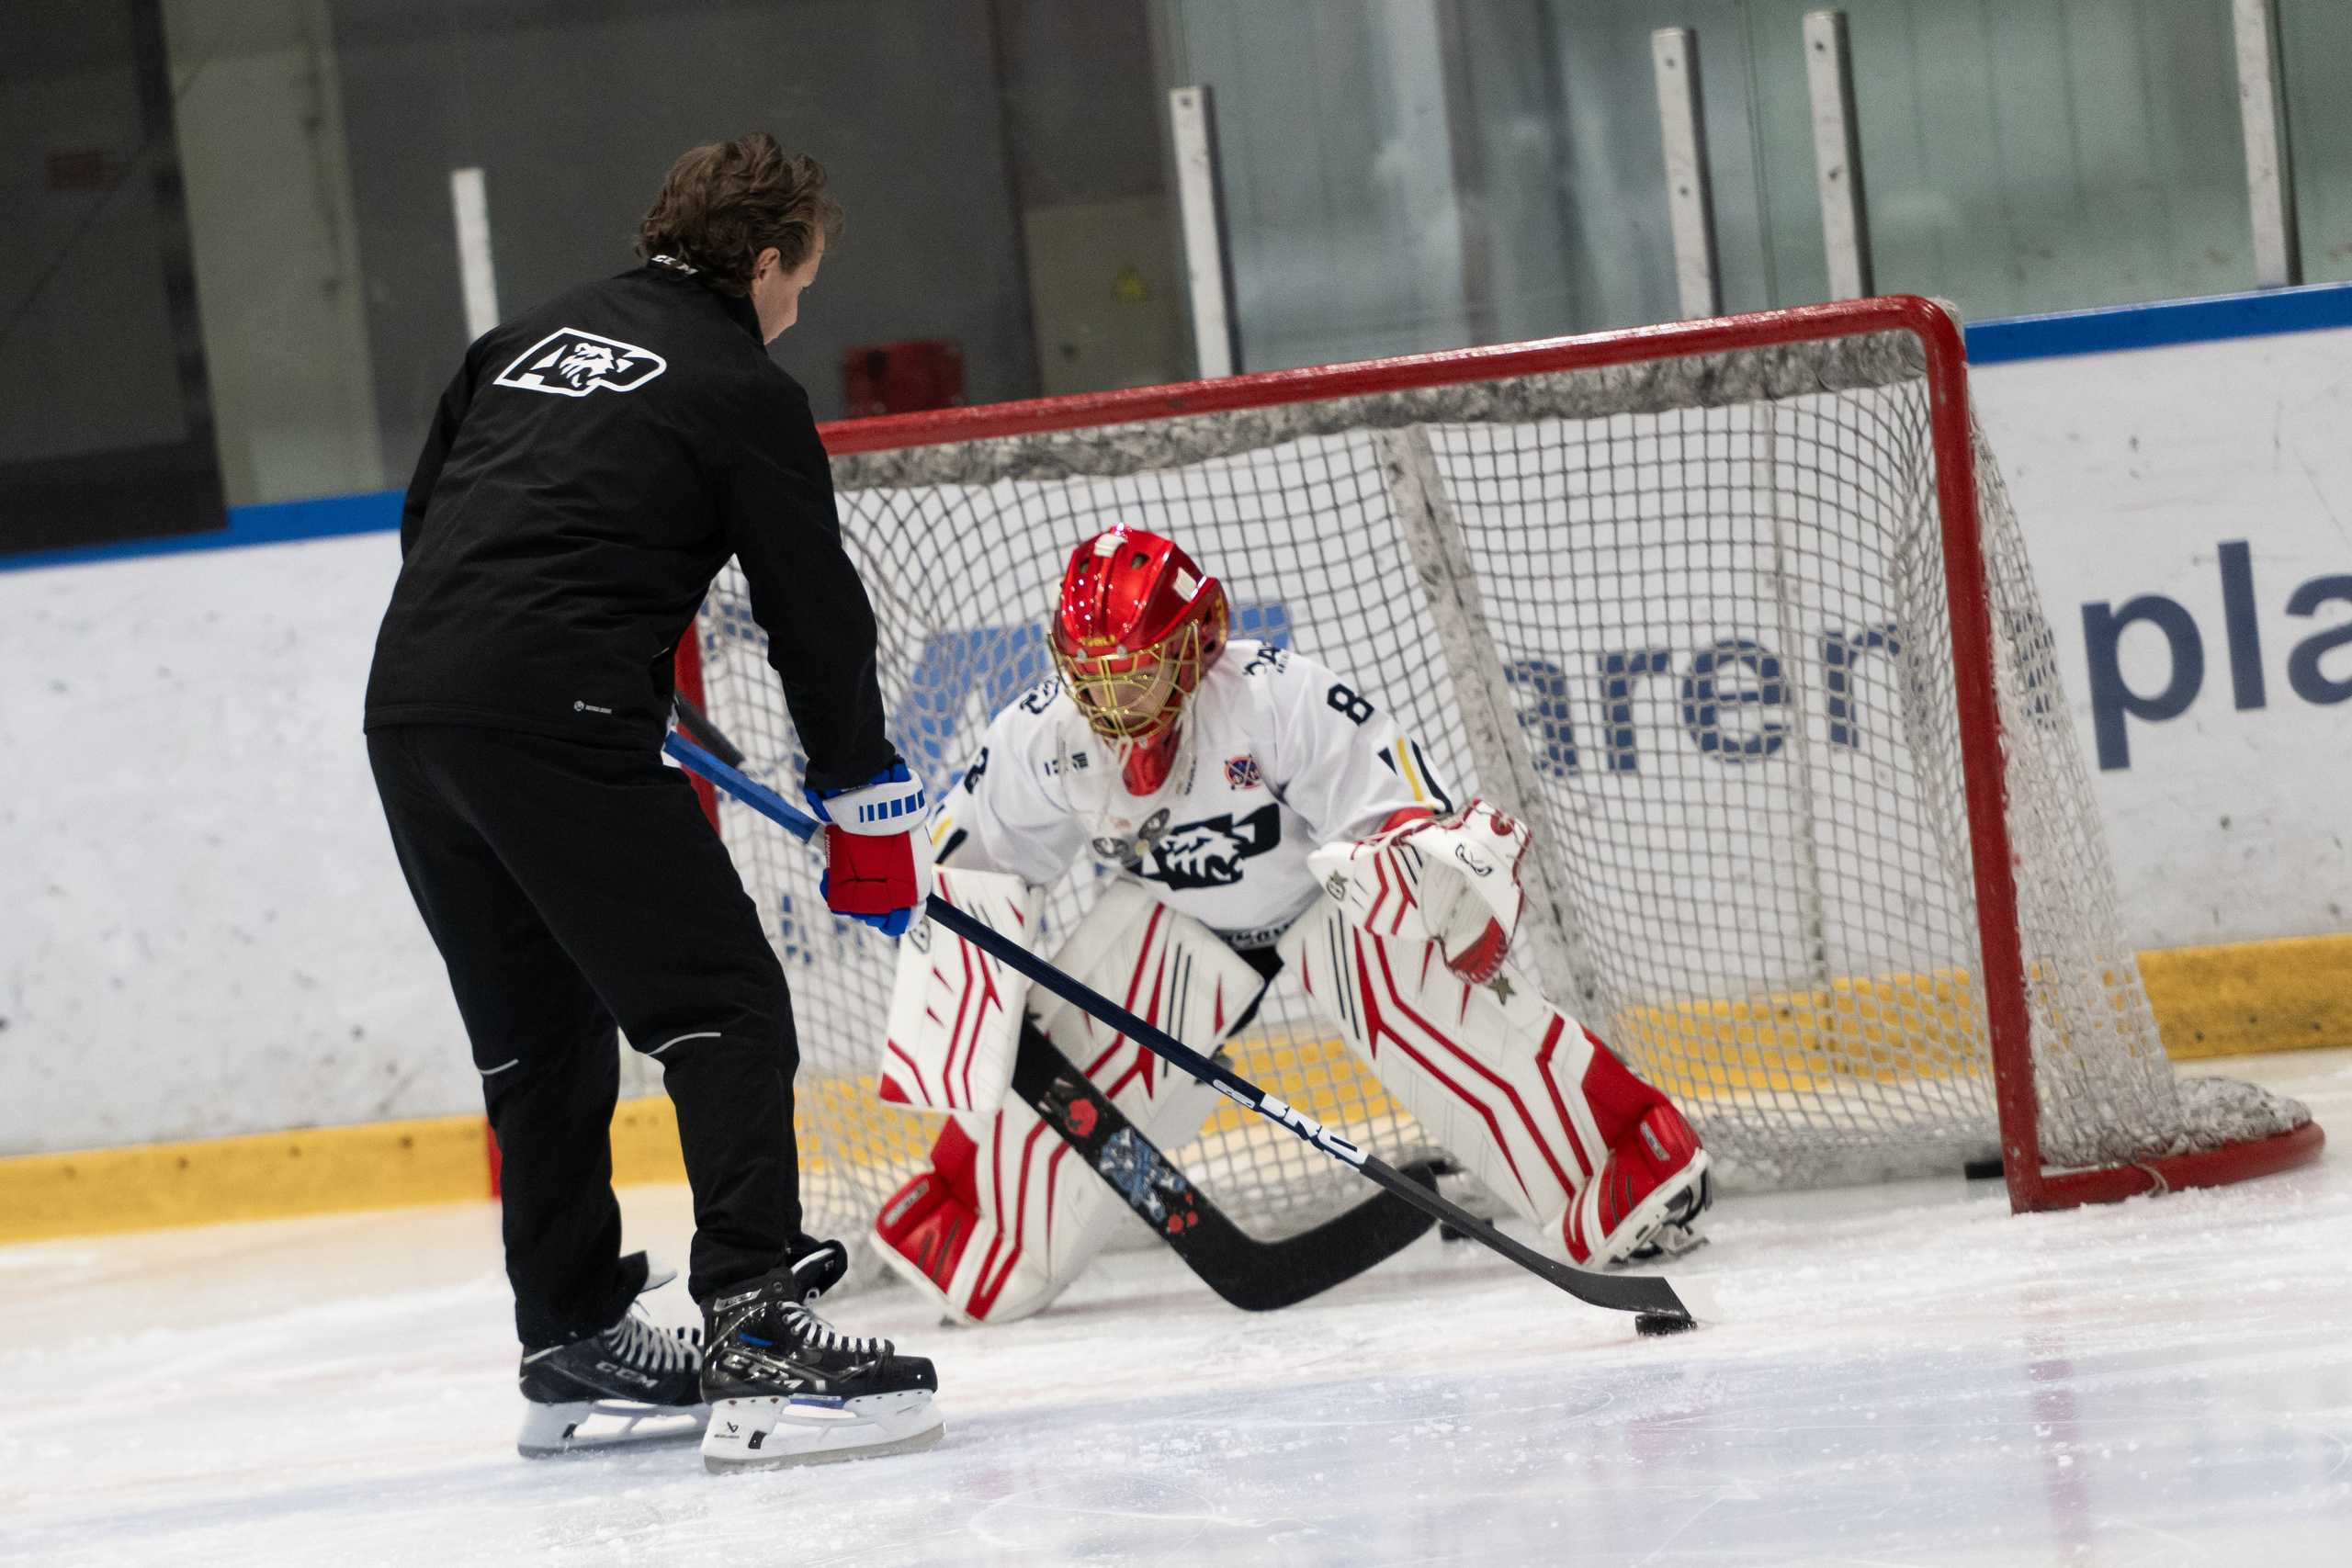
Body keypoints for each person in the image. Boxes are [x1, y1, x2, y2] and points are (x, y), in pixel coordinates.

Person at [364, 133, 939, 1469]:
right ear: (763, 260)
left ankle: (569, 1332)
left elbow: (433, 525)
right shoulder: (744, 383)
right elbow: (816, 614)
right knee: (724, 1003)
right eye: (804, 276)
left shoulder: (520, 338)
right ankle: (756, 1326)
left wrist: (577, 676)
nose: (802, 303)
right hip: (544, 715)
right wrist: (861, 796)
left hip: (413, 710)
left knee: (537, 1033)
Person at [867, 526, 1715, 1325]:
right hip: (1178, 922)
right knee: (1078, 1052)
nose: (1106, 700)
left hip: (1322, 905)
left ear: (1196, 645)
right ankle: (980, 1223)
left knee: (1416, 996)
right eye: (1088, 674)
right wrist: (961, 963)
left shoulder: (1275, 696)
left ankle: (1627, 1166)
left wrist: (1439, 889)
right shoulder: (1041, 736)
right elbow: (966, 872)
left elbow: (1398, 815)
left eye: (1133, 673)